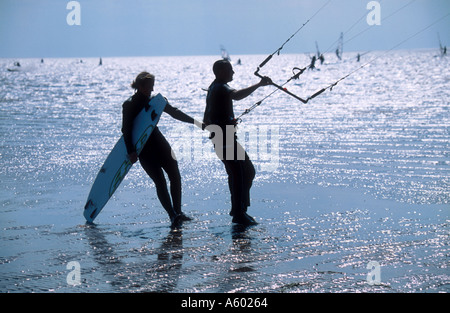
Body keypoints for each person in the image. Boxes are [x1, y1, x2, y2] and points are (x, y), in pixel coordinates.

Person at [122, 72, 203, 228]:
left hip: (159, 142)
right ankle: (172, 215)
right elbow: (126, 129)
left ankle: (178, 212)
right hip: (143, 149)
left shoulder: (157, 101)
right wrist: (131, 151)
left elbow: (174, 112)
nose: (150, 90)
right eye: (147, 87)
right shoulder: (129, 104)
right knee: (160, 181)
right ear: (139, 86)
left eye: (152, 86)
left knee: (175, 176)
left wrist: (196, 122)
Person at [203, 60, 271, 226]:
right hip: (223, 139)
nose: (233, 73)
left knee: (246, 171)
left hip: (223, 136)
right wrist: (260, 84)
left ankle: (239, 210)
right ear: (220, 72)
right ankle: (239, 213)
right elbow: (237, 95)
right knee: (240, 173)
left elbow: (205, 119)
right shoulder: (220, 87)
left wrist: (224, 121)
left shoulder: (213, 88)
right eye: (230, 70)